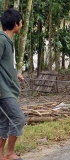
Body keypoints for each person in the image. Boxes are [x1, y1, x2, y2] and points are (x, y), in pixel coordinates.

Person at [0, 8, 25, 160]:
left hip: (6, 88)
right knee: (18, 118)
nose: (21, 25)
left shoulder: (6, 41)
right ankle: (9, 153)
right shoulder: (2, 40)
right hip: (3, 91)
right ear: (15, 24)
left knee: (3, 122)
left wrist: (14, 74)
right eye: (21, 22)